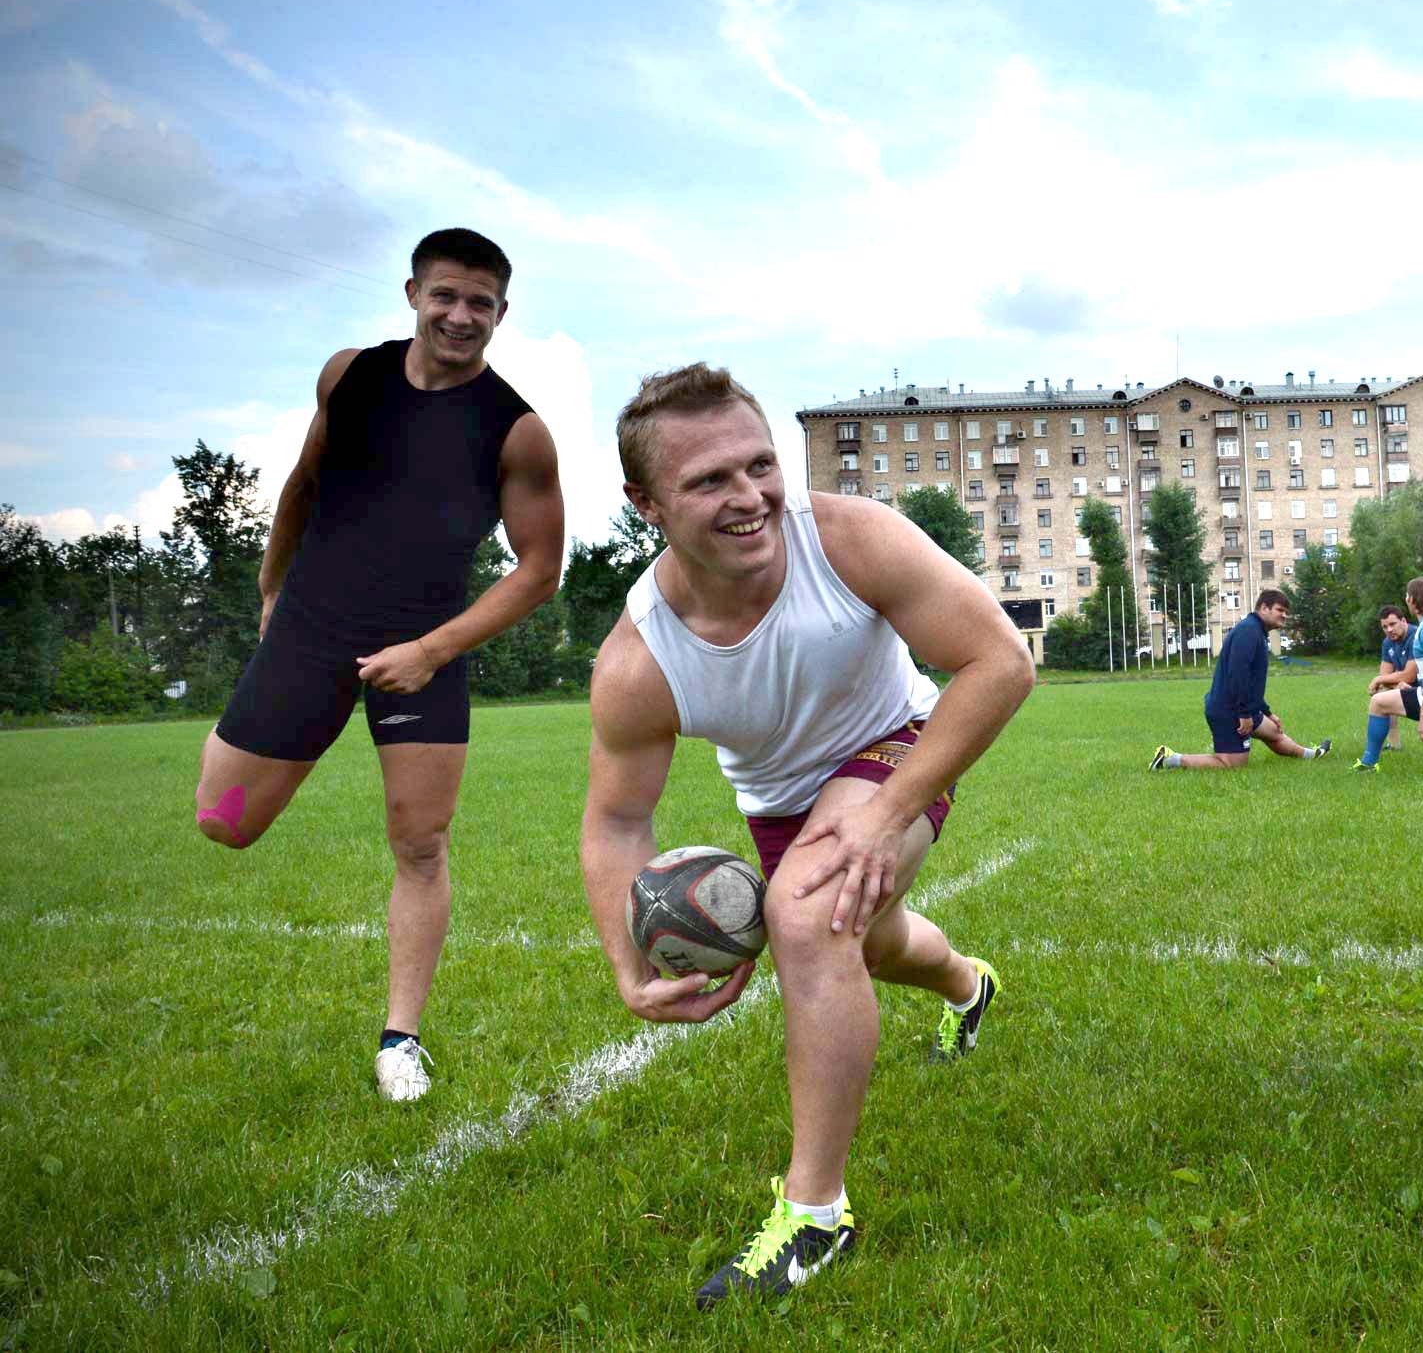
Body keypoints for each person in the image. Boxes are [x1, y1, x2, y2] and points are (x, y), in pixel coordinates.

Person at [579, 363, 1034, 1311]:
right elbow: (618, 819)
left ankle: (815, 1213)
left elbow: (999, 659)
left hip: (898, 745)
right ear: (645, 503)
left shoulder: (848, 539)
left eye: (760, 464)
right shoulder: (639, 658)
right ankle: (967, 982)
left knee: (805, 916)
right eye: (709, 480)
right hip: (781, 804)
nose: (750, 497)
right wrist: (627, 964)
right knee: (864, 939)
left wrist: (888, 808)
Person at [192, 228, 565, 1103]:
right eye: (446, 296)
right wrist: (272, 586)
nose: (461, 315)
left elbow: (540, 571)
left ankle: (401, 1040)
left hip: (423, 652)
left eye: (480, 303)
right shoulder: (348, 376)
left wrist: (431, 650)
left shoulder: (516, 431)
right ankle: (288, 727)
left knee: (422, 844)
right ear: (412, 295)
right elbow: (303, 482)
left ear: (502, 312)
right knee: (223, 820)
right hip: (310, 630)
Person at [1148, 589, 1330, 770]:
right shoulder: (1249, 631)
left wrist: (1267, 712)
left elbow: (1252, 682)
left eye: (1286, 612)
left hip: (1243, 706)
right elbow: (1237, 673)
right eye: (1280, 610)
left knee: (1274, 732)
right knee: (1233, 764)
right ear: (1264, 608)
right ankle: (1169, 759)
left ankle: (1312, 754)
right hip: (1229, 709)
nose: (1284, 616)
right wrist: (1244, 714)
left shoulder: (1255, 630)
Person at [1350, 603, 1418, 765]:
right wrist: (1394, 685)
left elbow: (1409, 675)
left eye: (1393, 624)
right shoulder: (1388, 642)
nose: (1389, 630)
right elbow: (1385, 675)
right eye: (1385, 627)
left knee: (1381, 685)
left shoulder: (1416, 636)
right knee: (1382, 692)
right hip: (1406, 686)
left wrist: (1378, 680)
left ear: (1404, 621)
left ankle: (1369, 761)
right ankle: (1394, 744)